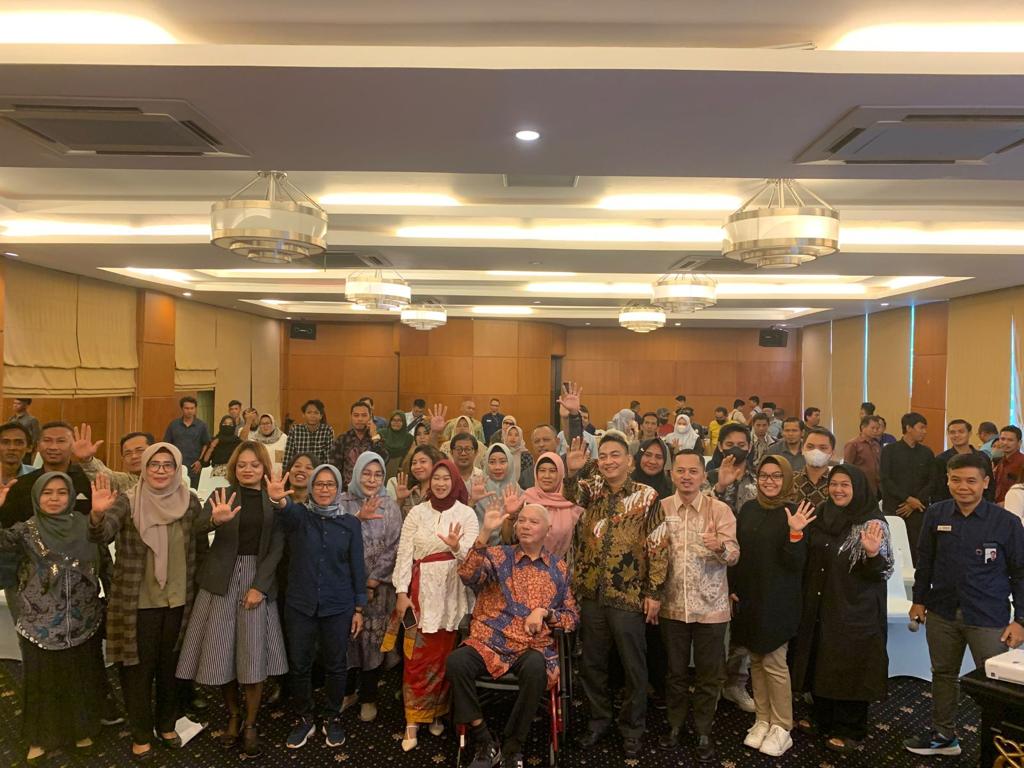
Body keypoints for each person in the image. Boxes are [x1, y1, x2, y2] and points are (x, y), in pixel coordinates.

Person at [561, 383, 668, 759]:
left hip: (628, 596)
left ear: (629, 461)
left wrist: (654, 592)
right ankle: (598, 720)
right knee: (592, 664)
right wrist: (574, 431)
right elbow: (570, 495)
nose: (608, 461)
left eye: (615, 455)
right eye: (603, 455)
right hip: (591, 593)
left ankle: (632, 727)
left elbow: (658, 544)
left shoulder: (646, 496)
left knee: (633, 667)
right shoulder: (591, 491)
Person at [88, 443, 207, 758]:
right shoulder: (128, 501)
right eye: (154, 464)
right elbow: (102, 534)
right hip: (137, 602)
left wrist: (217, 522)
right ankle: (141, 732)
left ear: (177, 469)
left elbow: (200, 539)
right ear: (144, 467)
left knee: (171, 668)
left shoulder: (189, 502)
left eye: (168, 465)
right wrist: (97, 515)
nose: (161, 470)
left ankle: (166, 724)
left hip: (179, 600)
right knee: (137, 670)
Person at [904, 452, 1024, 757]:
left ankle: (1002, 749)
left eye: (971, 480)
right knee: (943, 674)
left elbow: (1020, 573)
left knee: (996, 685)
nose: (963, 487)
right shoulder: (937, 514)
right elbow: (925, 562)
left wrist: (1021, 620)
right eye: (956, 480)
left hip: (988, 617)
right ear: (947, 481)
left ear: (985, 482)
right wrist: (918, 600)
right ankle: (944, 737)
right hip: (942, 612)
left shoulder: (1007, 522)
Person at [175, 441, 287, 756]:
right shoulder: (221, 494)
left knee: (252, 656)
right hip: (221, 580)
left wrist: (260, 586)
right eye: (242, 465)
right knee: (223, 653)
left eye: (254, 464)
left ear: (264, 468)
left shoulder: (273, 499)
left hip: (256, 579)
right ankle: (233, 715)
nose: (247, 469)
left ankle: (250, 722)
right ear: (234, 468)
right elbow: (195, 528)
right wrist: (214, 521)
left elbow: (277, 546)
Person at [448, 502, 579, 768]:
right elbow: (468, 575)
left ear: (548, 530)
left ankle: (512, 746)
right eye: (522, 521)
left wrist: (545, 613)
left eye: (533, 522)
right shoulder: (498, 555)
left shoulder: (559, 568)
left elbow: (572, 617)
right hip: (490, 641)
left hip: (531, 646)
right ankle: (484, 739)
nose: (525, 526)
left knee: (536, 668)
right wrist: (485, 532)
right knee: (456, 662)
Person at [0, 472, 109, 763]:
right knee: (43, 681)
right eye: (47, 493)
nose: (54, 498)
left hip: (82, 620)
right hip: (41, 622)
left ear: (71, 496)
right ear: (36, 497)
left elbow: (106, 558)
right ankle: (40, 737)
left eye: (61, 492)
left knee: (79, 677)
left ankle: (82, 730)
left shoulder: (87, 525)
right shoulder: (26, 530)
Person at [791, 465, 893, 753]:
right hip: (822, 603)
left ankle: (850, 729)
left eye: (845, 484)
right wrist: (796, 533)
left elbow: (884, 571)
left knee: (850, 666)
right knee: (822, 660)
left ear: (857, 487)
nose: (837, 490)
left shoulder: (872, 522)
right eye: (834, 484)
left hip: (855, 607)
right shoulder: (821, 514)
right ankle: (822, 718)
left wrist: (873, 554)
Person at [270, 464, 366, 750]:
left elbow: (357, 567)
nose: (324, 489)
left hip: (339, 605)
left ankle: (332, 716)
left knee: (336, 664)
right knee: (300, 664)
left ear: (338, 489)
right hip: (301, 604)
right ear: (311, 487)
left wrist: (359, 609)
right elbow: (285, 509)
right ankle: (304, 717)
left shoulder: (350, 524)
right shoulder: (300, 516)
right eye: (319, 484)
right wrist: (277, 498)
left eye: (330, 484)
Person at [657, 450, 739, 763]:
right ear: (672, 475)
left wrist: (721, 548)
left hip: (711, 608)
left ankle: (704, 729)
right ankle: (675, 725)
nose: (687, 476)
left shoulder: (720, 510)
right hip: (672, 605)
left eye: (693, 471)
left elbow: (735, 554)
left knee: (708, 674)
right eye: (681, 471)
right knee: (675, 673)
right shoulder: (662, 508)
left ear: (704, 476)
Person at [391, 459, 478, 751]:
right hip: (420, 594)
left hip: (452, 594)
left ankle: (438, 712)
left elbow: (472, 559)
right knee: (416, 658)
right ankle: (412, 720)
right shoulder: (417, 512)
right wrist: (401, 591)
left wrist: (455, 546)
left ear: (455, 481)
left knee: (445, 657)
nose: (440, 484)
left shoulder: (466, 514)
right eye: (436, 478)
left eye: (446, 478)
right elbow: (404, 553)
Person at [730, 456, 813, 758]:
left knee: (775, 663)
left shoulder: (796, 511)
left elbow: (796, 563)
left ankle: (782, 726)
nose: (769, 481)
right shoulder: (749, 509)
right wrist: (733, 587)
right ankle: (762, 719)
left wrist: (795, 533)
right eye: (764, 475)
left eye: (776, 475)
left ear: (786, 478)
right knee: (755, 659)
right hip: (750, 597)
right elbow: (740, 552)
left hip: (780, 599)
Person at [337, 453, 401, 723]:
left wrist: (372, 581)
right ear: (356, 473)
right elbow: (335, 539)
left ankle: (369, 697)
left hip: (378, 590)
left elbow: (394, 547)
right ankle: (347, 693)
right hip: (345, 587)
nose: (372, 479)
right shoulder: (341, 502)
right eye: (366, 473)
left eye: (378, 475)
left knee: (372, 643)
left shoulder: (391, 506)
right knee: (347, 640)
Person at [504, 451, 583, 559]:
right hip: (526, 563)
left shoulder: (572, 503)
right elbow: (508, 540)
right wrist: (510, 516)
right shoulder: (526, 500)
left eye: (552, 471)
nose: (547, 476)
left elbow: (580, 545)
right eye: (542, 470)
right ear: (536, 474)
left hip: (561, 566)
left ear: (561, 473)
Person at [880, 412, 935, 564]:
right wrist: (907, 499)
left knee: (918, 549)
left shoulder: (927, 453)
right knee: (894, 548)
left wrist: (915, 502)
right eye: (921, 427)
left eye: (925, 428)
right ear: (909, 428)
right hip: (895, 508)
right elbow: (885, 479)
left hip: (919, 508)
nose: (924, 431)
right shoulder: (889, 450)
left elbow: (932, 481)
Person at [932, 420, 995, 502]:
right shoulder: (942, 459)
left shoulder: (982, 457)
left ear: (969, 433)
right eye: (952, 432)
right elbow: (938, 489)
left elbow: (990, 485)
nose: (956, 435)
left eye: (961, 432)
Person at [331, 401, 389, 488]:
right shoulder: (342, 439)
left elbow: (384, 460)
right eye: (356, 415)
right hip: (347, 490)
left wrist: (374, 436)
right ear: (351, 417)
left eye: (364, 415)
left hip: (372, 487)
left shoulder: (377, 438)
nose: (360, 419)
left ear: (370, 417)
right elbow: (334, 467)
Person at [163, 396, 211, 489]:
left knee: (193, 491)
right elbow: (167, 444)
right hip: (177, 464)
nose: (189, 411)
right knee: (175, 489)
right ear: (182, 408)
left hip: (194, 465)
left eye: (192, 408)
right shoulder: (174, 425)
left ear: (195, 409)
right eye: (187, 408)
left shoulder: (201, 425)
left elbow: (206, 444)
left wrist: (200, 461)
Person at [475, 444, 519, 540]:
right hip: (479, 543)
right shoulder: (477, 489)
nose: (497, 467)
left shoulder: (518, 492)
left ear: (510, 463)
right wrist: (472, 501)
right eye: (492, 462)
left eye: (503, 462)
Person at [389, 445, 445, 517]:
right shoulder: (409, 491)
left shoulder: (442, 491)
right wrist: (400, 500)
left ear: (435, 463)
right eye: (414, 463)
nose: (417, 466)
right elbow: (392, 520)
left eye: (423, 461)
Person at [283, 399, 335, 469]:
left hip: (318, 471)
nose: (312, 415)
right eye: (309, 412)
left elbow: (329, 457)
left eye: (316, 413)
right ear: (303, 415)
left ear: (321, 416)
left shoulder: (327, 430)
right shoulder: (295, 430)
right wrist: (286, 472)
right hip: (299, 470)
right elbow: (288, 456)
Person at [793, 427, 836, 507]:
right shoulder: (790, 480)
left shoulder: (838, 483)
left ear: (832, 453)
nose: (816, 451)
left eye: (823, 448)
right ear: (802, 449)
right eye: (810, 447)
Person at [844, 416, 884, 497]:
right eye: (872, 428)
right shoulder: (853, 444)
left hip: (877, 487)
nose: (875, 431)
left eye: (877, 428)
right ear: (863, 427)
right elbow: (847, 467)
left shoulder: (876, 444)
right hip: (861, 487)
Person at [993, 425, 1024, 503]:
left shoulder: (1022, 462)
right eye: (1002, 439)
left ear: (1019, 443)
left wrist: (1006, 503)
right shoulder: (1000, 462)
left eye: (1010, 440)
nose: (1005, 443)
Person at [380, 411, 414, 479]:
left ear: (403, 422)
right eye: (394, 420)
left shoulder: (409, 438)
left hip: (400, 471)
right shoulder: (382, 433)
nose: (396, 423)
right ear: (390, 421)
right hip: (382, 468)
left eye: (399, 420)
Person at [0, 421, 35, 485]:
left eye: (18, 443)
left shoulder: (36, 476)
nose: (12, 448)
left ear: (29, 448)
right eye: (5, 442)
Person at [503, 424, 534, 489]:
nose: (513, 438)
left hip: (523, 488)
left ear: (520, 437)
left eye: (516, 435)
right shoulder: (501, 453)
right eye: (510, 434)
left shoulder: (526, 456)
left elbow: (528, 478)